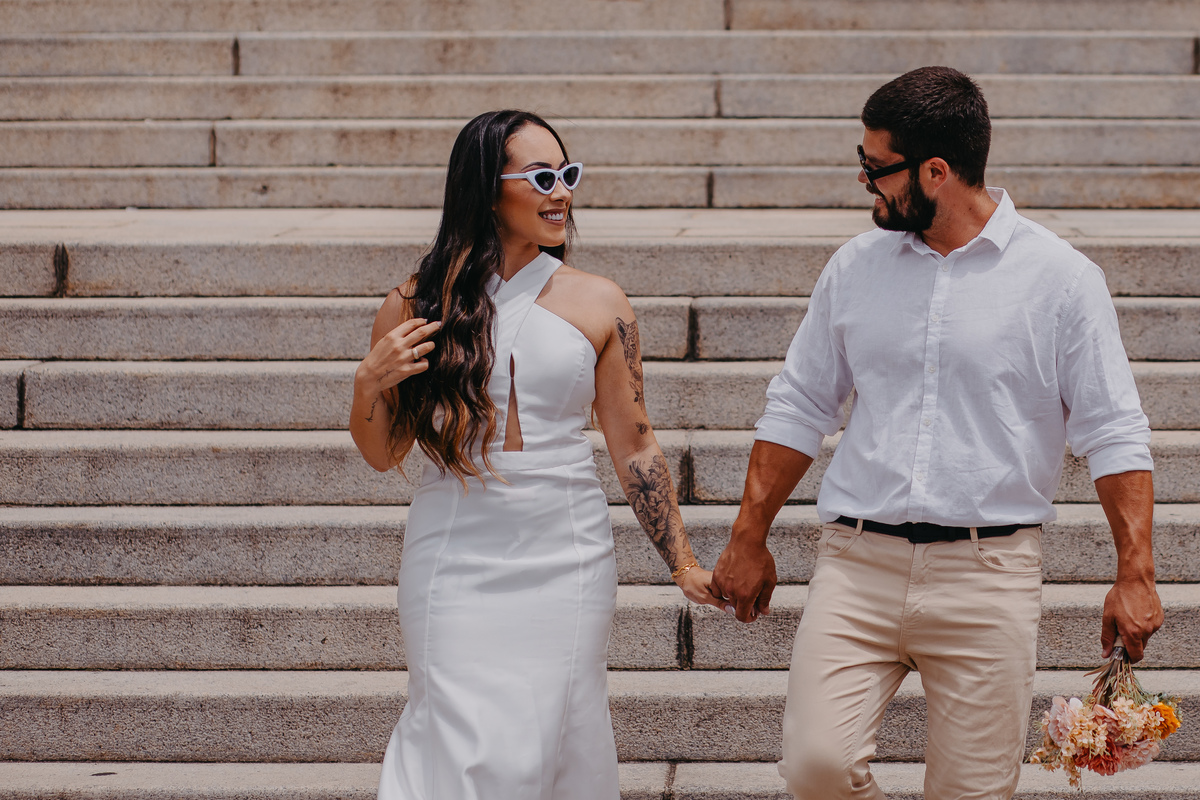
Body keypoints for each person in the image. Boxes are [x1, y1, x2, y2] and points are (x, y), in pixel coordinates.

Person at [710, 67, 1164, 800]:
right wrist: (747, 534)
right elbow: (798, 405)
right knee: (816, 767)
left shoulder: (1060, 279)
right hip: (857, 563)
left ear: (936, 171)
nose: (864, 181)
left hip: (988, 575)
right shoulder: (855, 267)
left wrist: (1134, 573)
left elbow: (1114, 432)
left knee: (973, 792)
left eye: (876, 167)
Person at [349, 109, 721, 800]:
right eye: (543, 178)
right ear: (488, 190)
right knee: (454, 731)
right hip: (453, 545)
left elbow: (635, 443)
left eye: (568, 175)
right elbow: (381, 451)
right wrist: (368, 383)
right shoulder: (414, 302)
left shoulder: (600, 302)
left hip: (564, 548)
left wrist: (683, 562)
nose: (563, 193)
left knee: (560, 733)